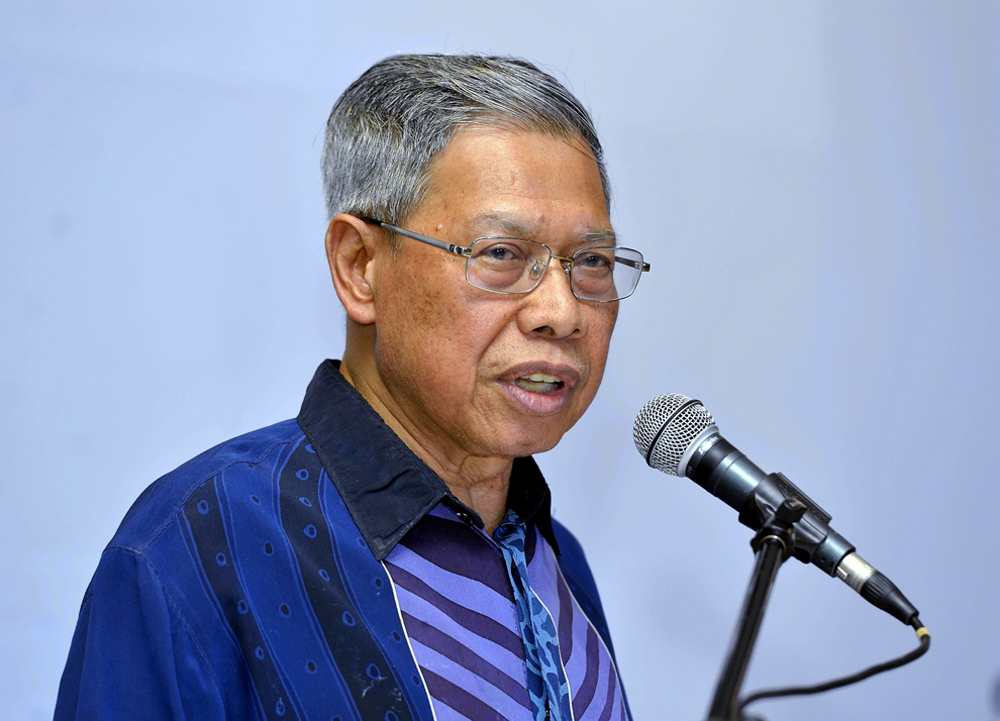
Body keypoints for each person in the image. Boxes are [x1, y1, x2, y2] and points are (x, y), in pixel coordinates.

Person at [54, 53, 650, 721]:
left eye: (591, 261)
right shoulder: (197, 541)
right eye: (502, 255)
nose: (562, 311)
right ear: (360, 266)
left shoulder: (555, 559)